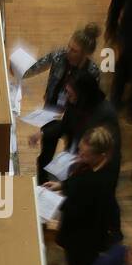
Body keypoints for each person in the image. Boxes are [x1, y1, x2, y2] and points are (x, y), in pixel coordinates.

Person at [23, 24, 103, 182]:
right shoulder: (59, 56)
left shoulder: (92, 73)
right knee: (45, 155)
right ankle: (42, 185)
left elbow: (91, 102)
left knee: (71, 155)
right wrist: (19, 71)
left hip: (76, 119)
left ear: (85, 54)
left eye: (74, 50)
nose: (68, 51)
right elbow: (37, 66)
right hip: (51, 113)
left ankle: (65, 185)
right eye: (69, 46)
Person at [43, 125, 122, 265]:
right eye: (80, 150)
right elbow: (77, 179)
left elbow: (79, 209)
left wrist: (55, 203)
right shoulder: (91, 164)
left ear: (101, 155)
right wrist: (62, 185)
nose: (79, 156)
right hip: (77, 222)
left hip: (85, 234)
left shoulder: (99, 181)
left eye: (85, 155)